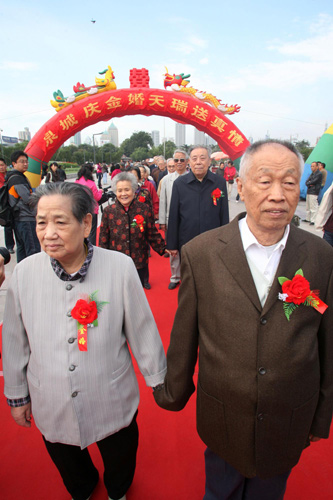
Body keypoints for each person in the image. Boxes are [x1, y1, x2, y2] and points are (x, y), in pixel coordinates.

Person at [154, 139, 333, 500]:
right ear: (240, 185)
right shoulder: (201, 253)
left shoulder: (320, 255)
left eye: (288, 182)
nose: (278, 195)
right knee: (221, 490)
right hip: (223, 411)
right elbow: (185, 332)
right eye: (264, 181)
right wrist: (174, 390)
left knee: (270, 491)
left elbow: (327, 342)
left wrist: (320, 415)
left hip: (289, 414)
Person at [2, 182, 166, 500]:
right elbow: (13, 339)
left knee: (120, 455)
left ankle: (117, 490)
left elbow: (142, 327)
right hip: (50, 397)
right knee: (68, 461)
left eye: (60, 222)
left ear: (87, 223)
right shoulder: (24, 273)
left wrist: (159, 380)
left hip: (111, 392)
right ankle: (84, 487)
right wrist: (17, 395)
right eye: (41, 222)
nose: (49, 233)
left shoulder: (120, 267)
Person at [99, 172, 166, 289]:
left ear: (134, 190)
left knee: (137, 293)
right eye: (119, 191)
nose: (123, 194)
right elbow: (103, 238)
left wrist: (164, 248)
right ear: (115, 192)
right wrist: (102, 261)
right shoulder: (109, 211)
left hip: (139, 260)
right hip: (116, 261)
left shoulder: (144, 209)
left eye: (127, 189)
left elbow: (152, 233)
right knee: (118, 292)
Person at [167, 145, 229, 257]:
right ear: (189, 162)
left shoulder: (219, 182)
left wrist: (225, 241)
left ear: (209, 161)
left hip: (213, 241)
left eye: (202, 158)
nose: (198, 162)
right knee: (188, 274)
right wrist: (172, 244)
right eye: (194, 159)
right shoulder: (179, 184)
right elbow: (174, 215)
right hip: (187, 241)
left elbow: (224, 214)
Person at [159, 150, 188, 290]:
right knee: (173, 249)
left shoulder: (192, 178)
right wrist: (162, 220)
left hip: (188, 220)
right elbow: (163, 200)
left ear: (187, 162)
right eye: (176, 160)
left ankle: (188, 276)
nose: (179, 163)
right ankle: (175, 276)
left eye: (182, 160)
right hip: (172, 220)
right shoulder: (166, 179)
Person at [7, 151, 40, 262]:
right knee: (32, 249)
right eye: (22, 162)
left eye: (26, 162)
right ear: (14, 163)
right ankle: (32, 275)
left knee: (22, 249)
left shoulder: (14, 176)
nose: (25, 164)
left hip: (18, 218)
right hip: (25, 218)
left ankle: (21, 273)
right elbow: (28, 199)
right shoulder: (17, 179)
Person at [76, 163, 103, 245]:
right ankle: (91, 247)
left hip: (80, 209)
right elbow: (97, 197)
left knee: (81, 229)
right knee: (92, 231)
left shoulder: (77, 182)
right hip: (92, 209)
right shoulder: (91, 183)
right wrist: (100, 191)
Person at [0, 157, 15, 253]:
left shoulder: (10, 176)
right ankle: (9, 246)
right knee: (7, 226)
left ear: (6, 165)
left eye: (2, 165)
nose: (1, 167)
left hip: (12, 203)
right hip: (3, 205)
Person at [316, 182, 333, 246]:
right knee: (325, 254)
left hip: (329, 229)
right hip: (329, 229)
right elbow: (326, 202)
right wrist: (321, 222)